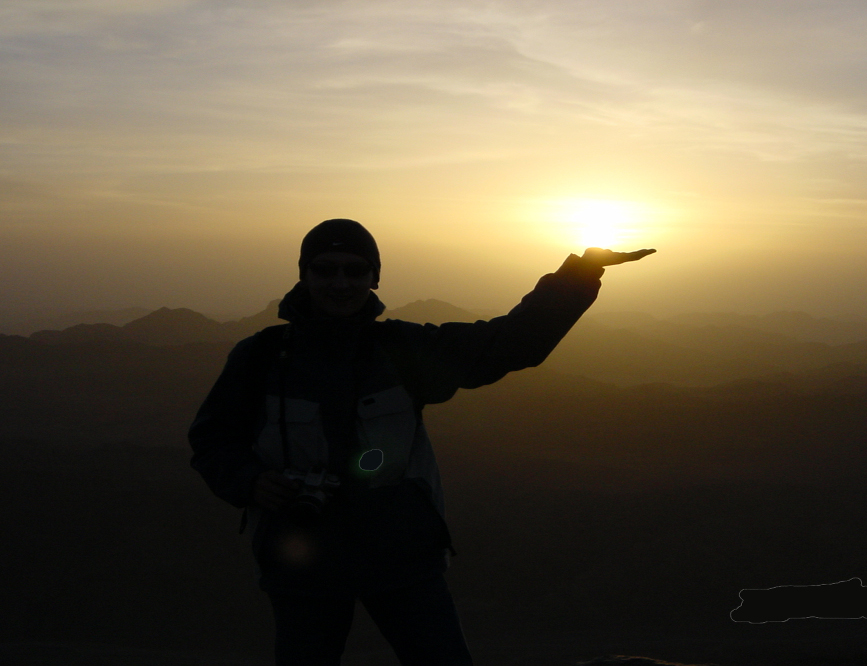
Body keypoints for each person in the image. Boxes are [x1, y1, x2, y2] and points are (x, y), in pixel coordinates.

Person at [189, 218, 654, 665]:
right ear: (304, 276)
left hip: (401, 555)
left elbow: (503, 343)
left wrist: (579, 274)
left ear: (374, 279)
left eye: (355, 270)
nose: (340, 282)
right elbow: (213, 438)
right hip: (302, 559)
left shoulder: (403, 351)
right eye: (325, 270)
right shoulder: (260, 358)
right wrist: (250, 481)